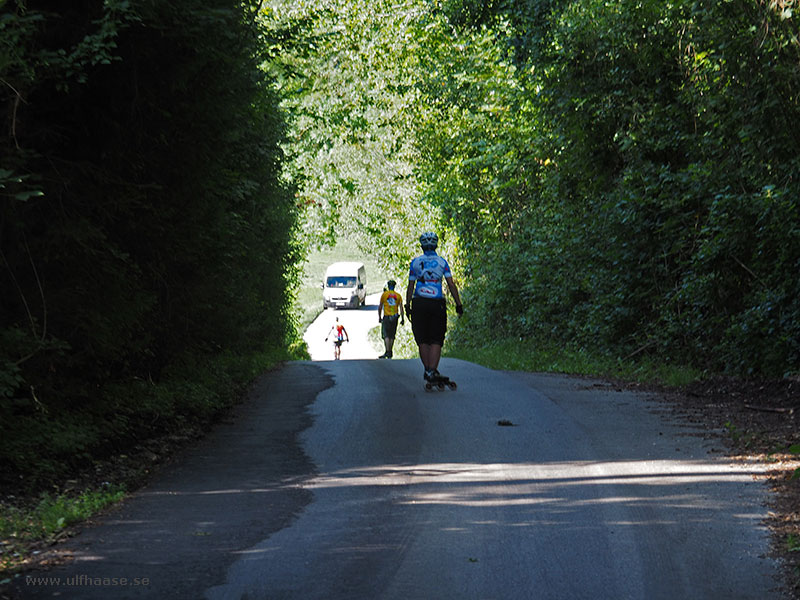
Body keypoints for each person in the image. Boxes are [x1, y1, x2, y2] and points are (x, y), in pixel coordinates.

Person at [405, 232, 463, 382]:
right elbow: (451, 284)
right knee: (436, 338)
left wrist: (407, 305)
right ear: (436, 245)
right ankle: (432, 370)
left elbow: (410, 286)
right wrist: (458, 304)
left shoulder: (415, 262)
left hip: (419, 302)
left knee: (422, 338)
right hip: (436, 302)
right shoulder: (442, 262)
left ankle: (428, 371)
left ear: (422, 246)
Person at [377, 280, 405, 359]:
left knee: (386, 334)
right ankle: (390, 352)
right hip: (395, 317)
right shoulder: (398, 296)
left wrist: (379, 317)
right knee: (392, 335)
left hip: (386, 316)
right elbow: (401, 308)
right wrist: (402, 319)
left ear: (388, 286)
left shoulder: (384, 295)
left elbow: (380, 307)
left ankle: (387, 351)